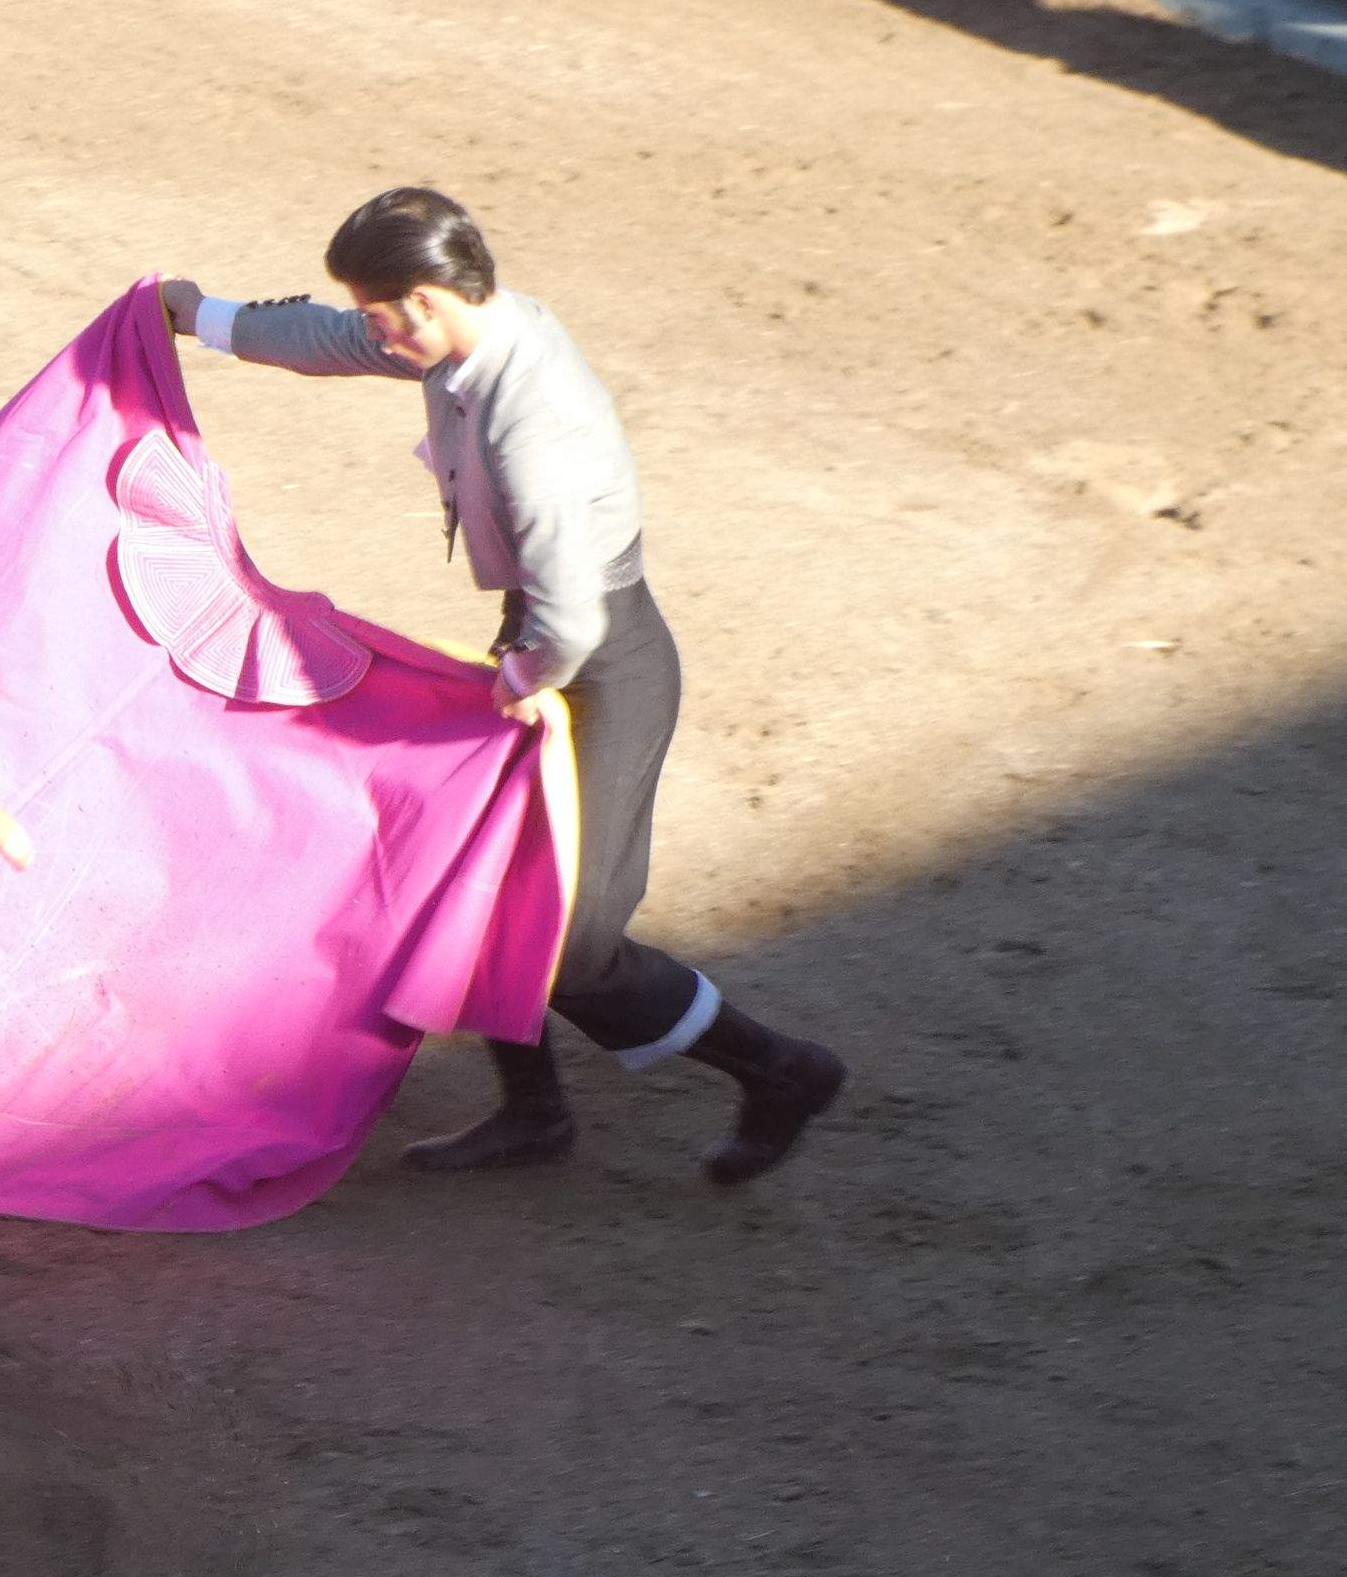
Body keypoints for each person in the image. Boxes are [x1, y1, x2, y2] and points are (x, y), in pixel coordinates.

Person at [164, 188, 844, 1184]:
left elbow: (571, 611)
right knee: (483, 878)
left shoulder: (532, 420)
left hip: (601, 668)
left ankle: (782, 1070)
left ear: (432, 298)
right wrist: (202, 316)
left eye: (381, 311)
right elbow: (332, 337)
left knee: (575, 948)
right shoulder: (465, 335)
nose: (371, 329)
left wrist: (526, 678)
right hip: (550, 642)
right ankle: (534, 1115)